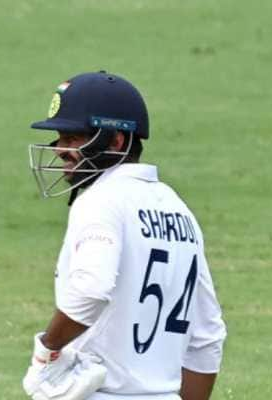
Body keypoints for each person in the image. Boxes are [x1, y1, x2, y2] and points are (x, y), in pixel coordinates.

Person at [22, 71, 227, 400]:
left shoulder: (101, 201)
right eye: (61, 138)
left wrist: (47, 349)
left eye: (74, 138)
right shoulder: (179, 210)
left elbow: (90, 289)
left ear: (116, 141)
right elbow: (207, 336)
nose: (60, 149)